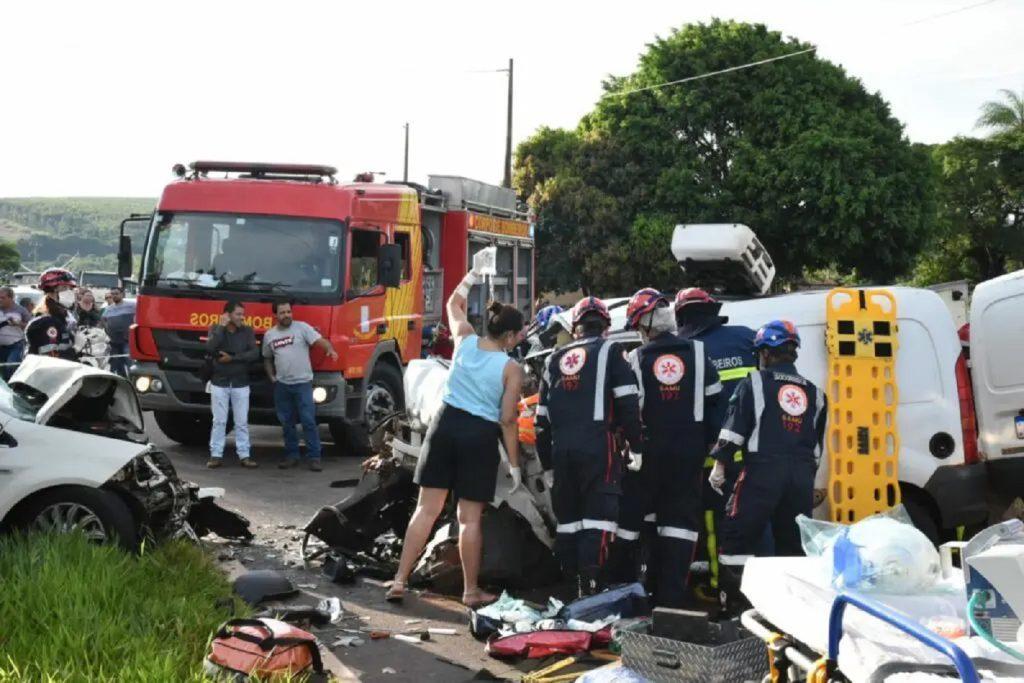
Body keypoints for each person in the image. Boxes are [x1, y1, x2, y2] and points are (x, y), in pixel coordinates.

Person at [387, 258, 526, 608]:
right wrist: (514, 465)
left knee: (426, 510)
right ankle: (469, 591)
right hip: (478, 437)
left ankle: (399, 580)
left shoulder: (464, 340)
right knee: (469, 518)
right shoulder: (511, 368)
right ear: (509, 336)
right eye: (519, 333)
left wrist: (474, 273)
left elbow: (453, 303)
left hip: (444, 427)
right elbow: (508, 420)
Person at [612, 289, 721, 607]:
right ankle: (671, 600)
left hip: (647, 455)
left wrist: (629, 445)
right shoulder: (700, 355)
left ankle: (629, 592)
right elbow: (717, 403)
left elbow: (628, 410)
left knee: (635, 523)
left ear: (645, 326)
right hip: (689, 456)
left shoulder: (636, 359)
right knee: (680, 526)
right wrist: (708, 443)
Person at [709, 320, 827, 613]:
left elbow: (734, 429)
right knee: (792, 544)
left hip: (762, 473)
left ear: (765, 352)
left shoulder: (755, 383)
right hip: (800, 476)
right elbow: (816, 446)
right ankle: (791, 614)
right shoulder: (816, 393)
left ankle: (736, 611)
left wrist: (720, 465)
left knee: (737, 537)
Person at [535, 296, 643, 597]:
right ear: (605, 326)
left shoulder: (553, 359)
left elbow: (540, 421)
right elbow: (628, 405)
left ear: (575, 327)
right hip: (599, 448)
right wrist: (636, 447)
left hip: (562, 450)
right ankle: (591, 590)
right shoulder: (612, 351)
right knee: (599, 519)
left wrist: (548, 465)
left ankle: (569, 589)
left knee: (569, 521)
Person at [674, 287, 758, 599]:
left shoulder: (684, 348)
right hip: (752, 453)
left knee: (712, 521)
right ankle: (754, 590)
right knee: (750, 520)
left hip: (710, 454)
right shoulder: (748, 338)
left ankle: (718, 586)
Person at [262, 300, 338, 471]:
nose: (286, 315)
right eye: (282, 313)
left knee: (308, 421)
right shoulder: (270, 335)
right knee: (287, 423)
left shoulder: (302, 328)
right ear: (276, 315)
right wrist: (271, 376)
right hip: (282, 386)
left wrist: (330, 350)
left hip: (303, 384)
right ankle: (291, 456)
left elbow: (320, 341)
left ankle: (314, 457)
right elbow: (267, 358)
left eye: (288, 311)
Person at [206, 301, 259, 469]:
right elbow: (210, 348)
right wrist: (221, 328)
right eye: (238, 314)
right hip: (219, 382)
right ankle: (216, 455)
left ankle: (244, 455)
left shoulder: (247, 331)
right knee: (219, 421)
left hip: (240, 382)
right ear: (227, 315)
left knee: (242, 421)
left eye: (242, 314)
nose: (242, 317)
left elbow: (254, 353)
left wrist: (233, 358)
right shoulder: (215, 328)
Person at [25, 268, 79, 361]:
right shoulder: (45, 319)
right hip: (48, 372)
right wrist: (76, 349)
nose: (70, 292)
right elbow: (50, 356)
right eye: (66, 287)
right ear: (53, 289)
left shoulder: (63, 314)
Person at [101, 287, 136, 377]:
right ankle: (123, 379)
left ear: (122, 294)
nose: (114, 296)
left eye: (116, 293)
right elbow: (103, 319)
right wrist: (107, 329)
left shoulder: (132, 305)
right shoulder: (109, 309)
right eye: (112, 294)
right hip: (114, 340)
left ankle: (134, 380)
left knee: (129, 360)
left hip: (128, 339)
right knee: (117, 362)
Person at [0, 286, 30, 380]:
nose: (0, 300)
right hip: (1, 346)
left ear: (10, 298)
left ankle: (13, 389)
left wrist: (18, 323)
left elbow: (31, 325)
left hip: (16, 345)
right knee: (3, 370)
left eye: (2, 297)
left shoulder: (21, 310)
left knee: (10, 366)